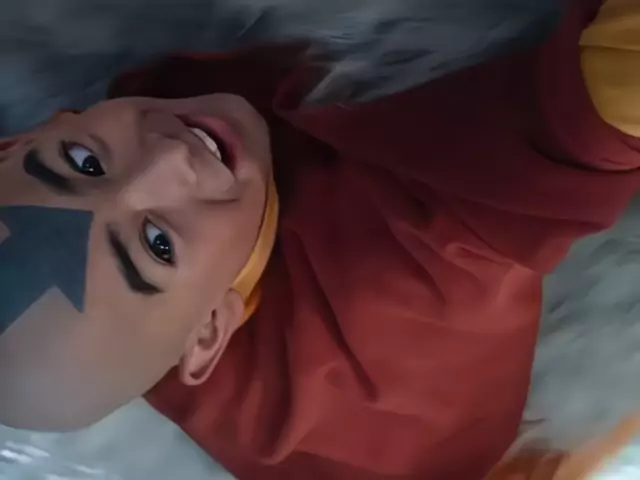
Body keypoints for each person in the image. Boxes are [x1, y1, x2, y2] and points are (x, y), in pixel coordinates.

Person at [0, 0, 637, 477]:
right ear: (211, 332)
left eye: (83, 162)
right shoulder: (397, 267)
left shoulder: (127, 301)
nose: (167, 159)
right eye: (157, 245)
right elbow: (587, 120)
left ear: (22, 139)